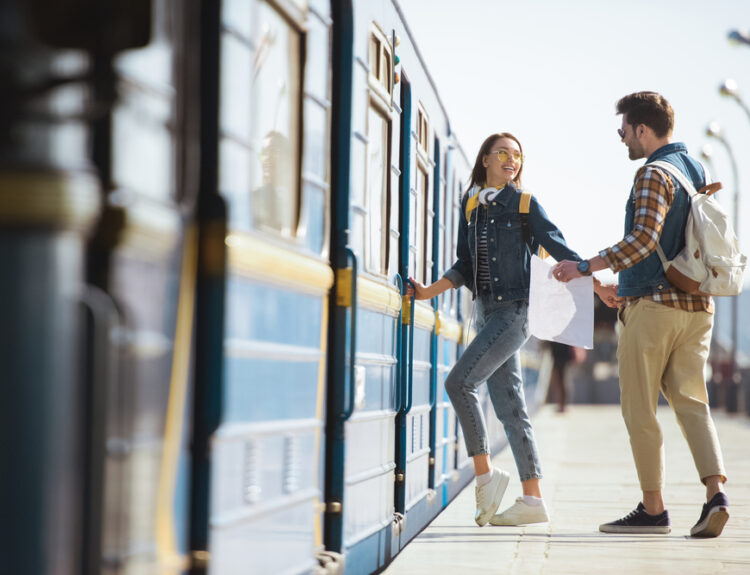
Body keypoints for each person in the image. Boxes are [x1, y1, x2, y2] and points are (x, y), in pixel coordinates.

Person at [408, 132, 609, 527]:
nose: (510, 160)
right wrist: (428, 292)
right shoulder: (472, 206)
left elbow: (557, 244)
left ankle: (485, 477)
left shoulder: (524, 203)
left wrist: (596, 283)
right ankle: (533, 501)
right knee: (512, 410)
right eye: (502, 153)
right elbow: (464, 264)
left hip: (514, 314)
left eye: (517, 155)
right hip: (486, 314)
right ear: (485, 159)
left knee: (459, 384)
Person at [553, 92, 729, 538]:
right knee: (693, 403)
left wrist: (585, 266)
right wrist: (621, 287)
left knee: (639, 410)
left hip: (655, 310)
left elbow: (643, 240)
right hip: (696, 308)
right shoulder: (695, 169)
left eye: (624, 131)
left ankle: (654, 509)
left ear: (642, 130)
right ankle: (716, 495)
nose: (622, 139)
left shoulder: (651, 173)